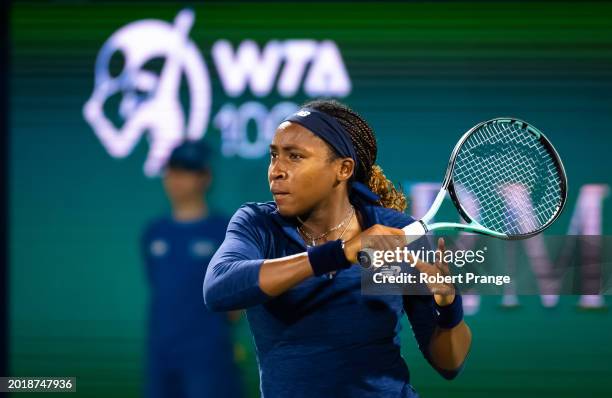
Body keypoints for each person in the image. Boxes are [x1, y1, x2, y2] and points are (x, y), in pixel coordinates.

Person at [203, 100, 472, 398]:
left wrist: (449, 306)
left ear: (342, 169)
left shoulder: (394, 232)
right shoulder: (259, 225)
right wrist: (339, 253)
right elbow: (218, 288)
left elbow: (450, 364)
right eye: (274, 155)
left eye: (294, 157)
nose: (276, 171)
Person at [142, 140, 243, 398]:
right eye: (172, 170)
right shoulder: (154, 233)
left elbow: (237, 303)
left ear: (205, 177)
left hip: (208, 356)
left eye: (186, 171)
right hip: (161, 352)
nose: (176, 179)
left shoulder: (226, 232)